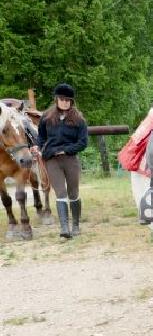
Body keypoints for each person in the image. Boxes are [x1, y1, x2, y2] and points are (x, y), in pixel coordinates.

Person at [37, 83, 87, 238]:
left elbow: (83, 142)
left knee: (73, 192)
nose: (65, 102)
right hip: (52, 159)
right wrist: (37, 147)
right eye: (62, 99)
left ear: (72, 101)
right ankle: (64, 228)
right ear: (56, 99)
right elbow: (41, 137)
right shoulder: (46, 117)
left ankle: (76, 226)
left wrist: (67, 150)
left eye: (68, 100)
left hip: (70, 159)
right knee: (60, 192)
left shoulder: (79, 119)